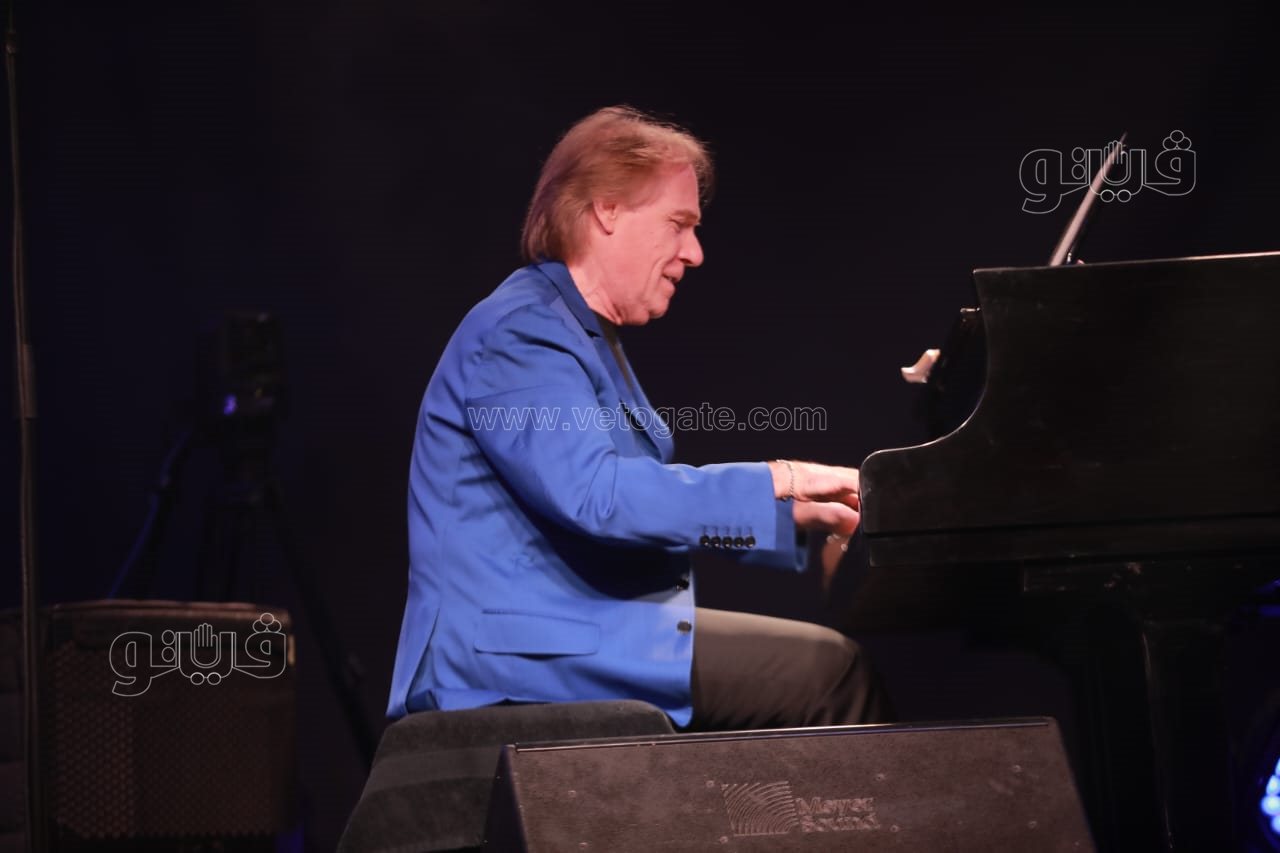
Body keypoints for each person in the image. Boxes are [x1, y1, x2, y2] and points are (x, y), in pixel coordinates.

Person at [387, 106, 889, 730]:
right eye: (679, 224)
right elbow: (600, 497)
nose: (695, 252)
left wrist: (792, 521)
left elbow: (639, 505)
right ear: (607, 210)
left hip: (568, 634)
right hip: (515, 658)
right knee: (831, 673)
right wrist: (781, 477)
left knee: (825, 666)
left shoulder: (581, 332)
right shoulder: (523, 331)